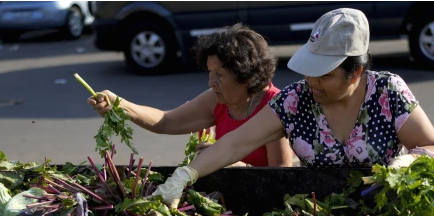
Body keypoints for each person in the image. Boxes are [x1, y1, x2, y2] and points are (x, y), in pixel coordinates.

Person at [154, 8, 434, 207]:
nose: (312, 82)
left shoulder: (387, 91)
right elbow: (235, 143)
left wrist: (406, 164)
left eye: (325, 76)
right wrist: (184, 176)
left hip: (386, 214)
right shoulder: (296, 102)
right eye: (309, 72)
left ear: (355, 72)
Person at [88, 24, 294, 168]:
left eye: (220, 75)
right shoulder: (218, 99)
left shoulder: (274, 106)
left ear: (246, 76)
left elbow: (282, 172)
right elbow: (166, 122)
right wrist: (120, 105)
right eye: (210, 72)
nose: (211, 82)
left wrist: (234, 165)